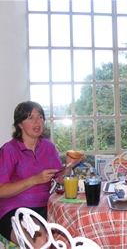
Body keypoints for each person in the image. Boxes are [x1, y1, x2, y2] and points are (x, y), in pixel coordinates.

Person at [0, 101, 82, 248]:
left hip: (45, 208)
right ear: (19, 124)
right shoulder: (9, 150)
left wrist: (69, 165)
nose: (37, 122)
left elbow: (60, 179)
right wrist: (35, 180)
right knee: (41, 241)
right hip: (14, 211)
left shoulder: (47, 146)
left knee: (77, 230)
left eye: (40, 117)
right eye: (30, 118)